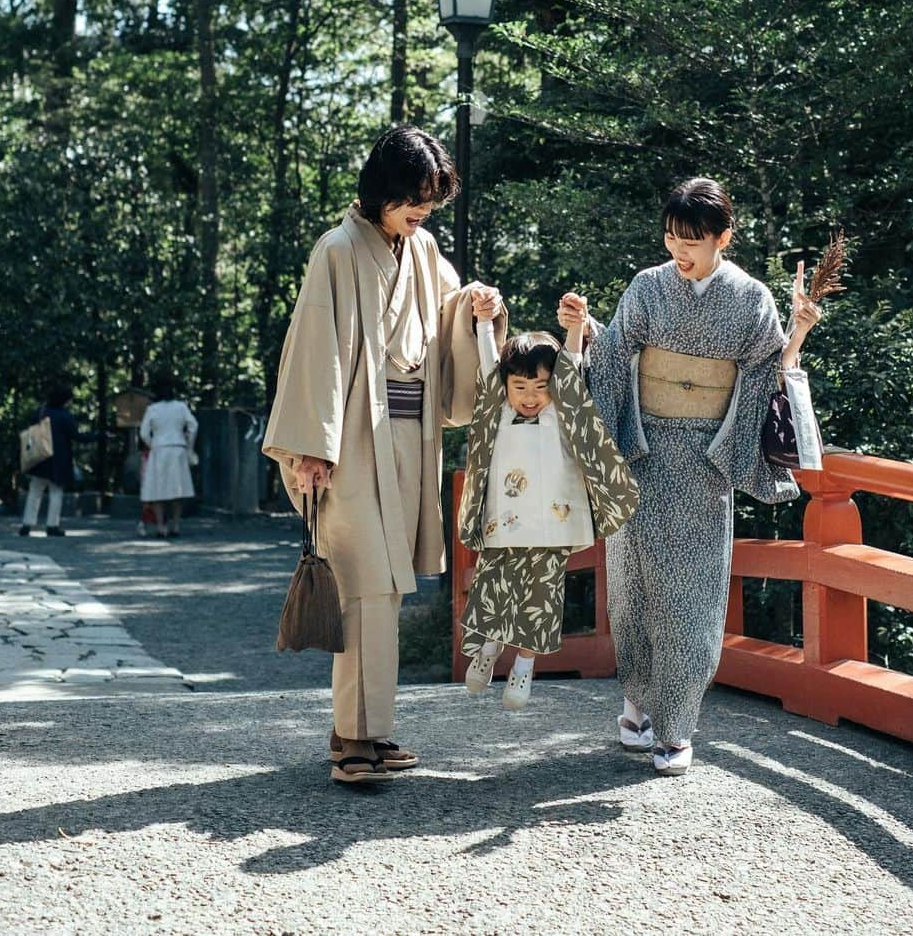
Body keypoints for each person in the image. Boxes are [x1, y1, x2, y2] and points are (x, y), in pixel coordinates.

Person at [263, 125, 506, 786]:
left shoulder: (422, 250)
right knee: (365, 587)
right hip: (349, 444)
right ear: (382, 190)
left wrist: (479, 308)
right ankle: (354, 742)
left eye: (429, 200)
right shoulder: (337, 250)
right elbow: (318, 347)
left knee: (385, 590)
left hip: (409, 440)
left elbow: (448, 316)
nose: (421, 210)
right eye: (411, 198)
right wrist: (312, 449)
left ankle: (364, 732)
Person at [558, 178, 822, 777]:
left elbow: (766, 375)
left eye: (694, 242)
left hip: (706, 462)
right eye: (673, 238)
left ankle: (676, 728)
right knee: (632, 589)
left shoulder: (751, 298)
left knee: (693, 597)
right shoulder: (647, 287)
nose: (681, 251)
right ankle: (635, 707)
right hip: (641, 453)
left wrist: (799, 333)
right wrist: (583, 329)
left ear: (723, 239)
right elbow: (613, 359)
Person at [458, 315, 638, 710]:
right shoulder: (498, 411)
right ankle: (488, 648)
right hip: (505, 522)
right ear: (505, 385)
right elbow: (489, 364)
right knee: (494, 587)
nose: (529, 396)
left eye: (541, 387)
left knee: (541, 597)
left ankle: (524, 666)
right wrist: (486, 322)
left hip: (553, 524)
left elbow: (571, 363)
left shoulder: (563, 413)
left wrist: (574, 327)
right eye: (519, 386)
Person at [19, 381, 95, 538]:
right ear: (65, 400)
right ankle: (52, 525)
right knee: (56, 493)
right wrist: (98, 436)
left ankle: (27, 524)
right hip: (58, 461)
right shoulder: (65, 417)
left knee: (34, 491)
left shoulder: (41, 412)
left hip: (39, 457)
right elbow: (77, 436)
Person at [139, 373, 198, 539]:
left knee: (158, 489)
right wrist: (188, 445)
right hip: (177, 448)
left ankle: (160, 526)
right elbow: (193, 425)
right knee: (176, 489)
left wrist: (153, 444)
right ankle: (176, 525)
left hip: (159, 450)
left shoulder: (152, 409)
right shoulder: (181, 407)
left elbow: (144, 433)